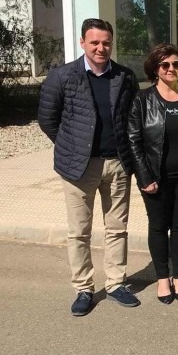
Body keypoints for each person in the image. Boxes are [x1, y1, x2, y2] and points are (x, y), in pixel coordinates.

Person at [38, 18, 140, 316]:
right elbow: (48, 119)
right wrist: (72, 146)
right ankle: (83, 288)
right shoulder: (62, 76)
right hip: (78, 167)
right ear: (83, 42)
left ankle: (116, 283)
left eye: (106, 43)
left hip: (117, 164)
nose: (101, 48)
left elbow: (132, 118)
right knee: (79, 231)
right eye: (94, 42)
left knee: (117, 228)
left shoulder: (125, 76)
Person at [127, 43, 178, 304]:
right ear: (155, 68)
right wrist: (144, 177)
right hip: (156, 177)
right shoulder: (143, 100)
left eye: (176, 64)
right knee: (159, 227)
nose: (171, 68)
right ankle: (163, 278)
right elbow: (133, 141)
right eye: (165, 65)